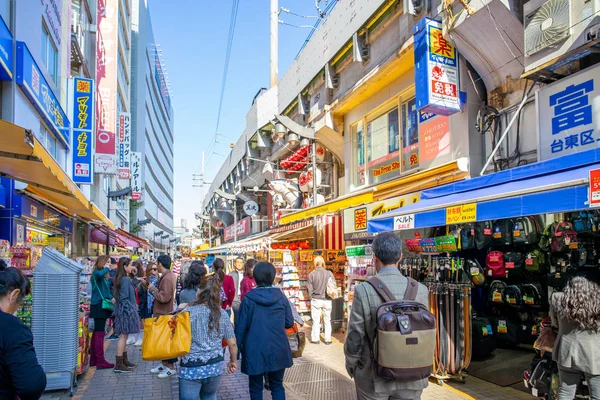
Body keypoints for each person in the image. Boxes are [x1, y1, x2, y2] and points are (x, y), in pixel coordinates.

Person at [344, 232, 430, 400]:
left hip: (373, 376)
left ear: (374, 257)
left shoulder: (364, 290)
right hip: (412, 375)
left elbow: (355, 335)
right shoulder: (420, 289)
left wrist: (352, 363)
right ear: (400, 256)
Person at [235, 262, 294, 400]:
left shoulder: (249, 299)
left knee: (255, 387)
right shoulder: (281, 297)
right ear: (273, 277)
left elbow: (240, 328)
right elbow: (289, 322)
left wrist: (235, 354)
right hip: (278, 347)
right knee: (277, 385)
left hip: (254, 348)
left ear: (255, 277)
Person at [179, 273, 238, 400]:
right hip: (214, 367)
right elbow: (232, 343)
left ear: (199, 291)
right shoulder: (222, 314)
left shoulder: (186, 313)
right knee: (209, 396)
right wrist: (233, 361)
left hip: (191, 367)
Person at [0, 260, 46, 400]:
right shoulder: (12, 328)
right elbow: (31, 385)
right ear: (13, 295)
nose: (18, 307)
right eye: (20, 302)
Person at [550, 273, 600, 400]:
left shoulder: (558, 299)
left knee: (566, 391)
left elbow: (554, 323)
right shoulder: (598, 301)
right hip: (594, 354)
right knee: (597, 395)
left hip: (567, 351)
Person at [148, 254, 178, 378]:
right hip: (164, 312)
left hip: (165, 313)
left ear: (160, 264)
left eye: (157, 264)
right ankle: (164, 363)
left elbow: (164, 297)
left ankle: (170, 366)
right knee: (163, 340)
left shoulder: (167, 278)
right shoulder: (168, 276)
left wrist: (153, 290)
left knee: (166, 340)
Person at [113, 257, 140, 373]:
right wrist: (130, 310)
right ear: (125, 267)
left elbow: (127, 290)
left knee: (124, 336)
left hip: (123, 310)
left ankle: (123, 360)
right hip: (125, 311)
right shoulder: (124, 279)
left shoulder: (123, 278)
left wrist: (135, 278)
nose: (132, 267)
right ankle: (119, 364)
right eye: (130, 265)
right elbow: (124, 296)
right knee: (123, 337)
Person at [89, 255, 115, 369]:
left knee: (97, 332)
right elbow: (99, 274)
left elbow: (105, 290)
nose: (108, 264)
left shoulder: (103, 276)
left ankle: (94, 359)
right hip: (99, 306)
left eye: (109, 262)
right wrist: (107, 268)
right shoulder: (97, 273)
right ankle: (100, 360)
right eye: (107, 262)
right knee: (99, 334)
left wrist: (111, 297)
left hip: (101, 305)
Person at [307, 255, 334, 345]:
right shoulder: (329, 273)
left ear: (315, 263)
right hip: (327, 299)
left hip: (316, 299)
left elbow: (310, 288)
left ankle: (315, 339)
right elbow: (333, 285)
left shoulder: (312, 274)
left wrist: (311, 298)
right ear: (323, 263)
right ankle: (328, 339)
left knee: (316, 320)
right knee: (327, 320)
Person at [229, 257, 245, 325]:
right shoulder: (231, 275)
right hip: (235, 298)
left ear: (243, 264)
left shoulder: (246, 274)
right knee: (237, 316)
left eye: (241, 262)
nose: (239, 264)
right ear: (235, 264)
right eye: (238, 262)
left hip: (244, 297)